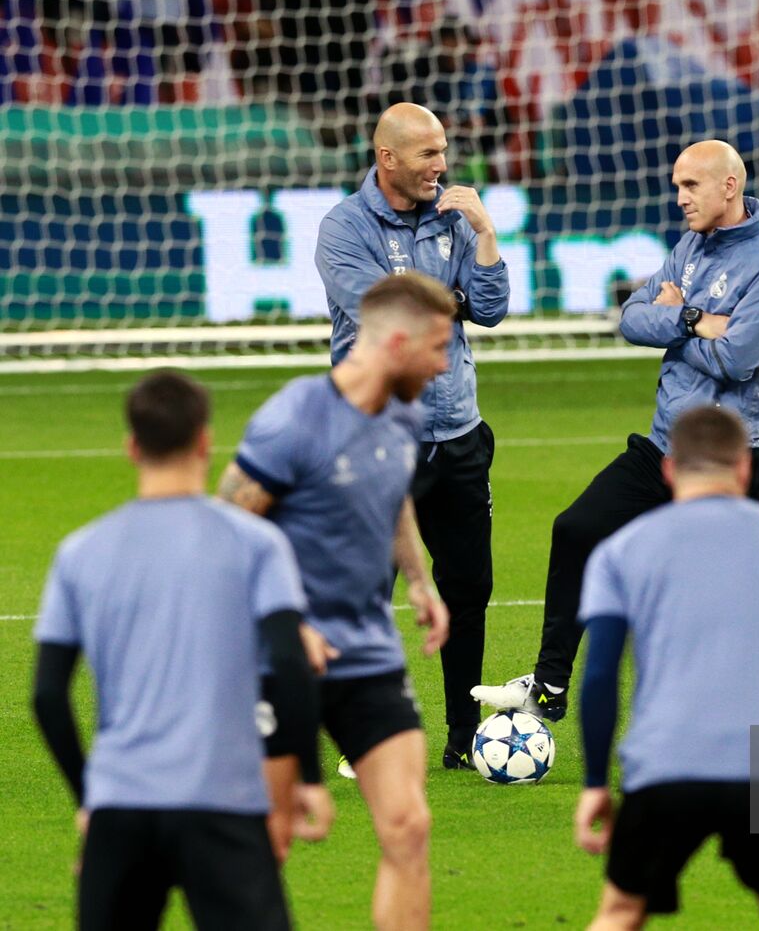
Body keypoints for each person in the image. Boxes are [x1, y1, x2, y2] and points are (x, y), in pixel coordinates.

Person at [474, 139, 759, 722]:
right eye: (676, 185)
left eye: (690, 186)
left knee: (723, 596)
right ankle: (548, 687)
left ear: (730, 186)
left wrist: (679, 318)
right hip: (662, 447)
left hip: (733, 461)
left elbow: (740, 358)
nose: (679, 199)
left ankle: (754, 708)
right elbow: (631, 318)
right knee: (576, 529)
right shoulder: (690, 247)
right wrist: (697, 321)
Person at [32, 370, 328, 931]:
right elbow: (290, 663)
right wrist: (307, 776)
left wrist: (90, 794)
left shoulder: (79, 552)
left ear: (132, 447)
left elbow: (48, 694)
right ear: (203, 442)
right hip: (225, 803)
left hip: (122, 804)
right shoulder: (258, 543)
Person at [217, 272, 454, 931]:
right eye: (437, 348)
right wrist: (280, 626)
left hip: (367, 649)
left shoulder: (404, 414)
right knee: (270, 836)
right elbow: (227, 534)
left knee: (409, 825)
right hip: (279, 661)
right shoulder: (292, 420)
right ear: (398, 341)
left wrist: (417, 578)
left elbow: (392, 490)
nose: (443, 365)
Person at [573, 406, 759, 930]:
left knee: (621, 911)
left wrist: (594, 782)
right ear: (745, 469)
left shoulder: (620, 551)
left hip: (664, 763)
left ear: (669, 469)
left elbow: (598, 676)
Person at [316, 101, 509, 769]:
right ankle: (362, 732)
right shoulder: (343, 228)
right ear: (388, 158)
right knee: (366, 587)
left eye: (444, 150)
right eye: (428, 153)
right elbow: (389, 318)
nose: (443, 165)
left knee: (467, 586)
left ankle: (464, 735)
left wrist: (484, 235)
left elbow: (490, 307)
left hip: (457, 432)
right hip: (372, 436)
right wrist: (442, 300)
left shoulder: (456, 217)